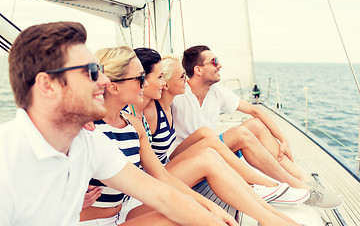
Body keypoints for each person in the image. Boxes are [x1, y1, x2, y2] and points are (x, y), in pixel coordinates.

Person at [0, 22, 232, 226]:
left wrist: (214, 216)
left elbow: (162, 196)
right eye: (91, 72)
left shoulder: (87, 143)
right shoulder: (7, 162)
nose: (103, 80)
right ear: (48, 85)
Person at [81, 46, 303, 226]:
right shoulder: (86, 130)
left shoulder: (133, 125)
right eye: (141, 78)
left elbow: (163, 178)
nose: (147, 83)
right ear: (113, 87)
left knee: (193, 210)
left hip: (124, 212)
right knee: (188, 211)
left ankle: (274, 218)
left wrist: (209, 207)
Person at [171, 45, 342, 209]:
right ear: (198, 69)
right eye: (214, 61)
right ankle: (296, 187)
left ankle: (303, 179)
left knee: (255, 125)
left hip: (210, 148)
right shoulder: (177, 93)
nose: (220, 65)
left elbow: (255, 111)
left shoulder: (216, 92)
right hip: (184, 158)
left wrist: (283, 140)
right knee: (240, 134)